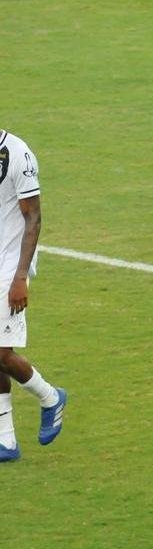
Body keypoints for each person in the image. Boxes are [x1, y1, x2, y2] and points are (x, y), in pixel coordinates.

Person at [0, 129, 68, 462]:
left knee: (0, 353)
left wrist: (21, 277)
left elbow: (34, 217)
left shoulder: (16, 154)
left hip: (10, 266)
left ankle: (50, 396)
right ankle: (6, 441)